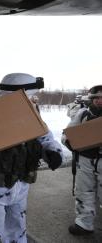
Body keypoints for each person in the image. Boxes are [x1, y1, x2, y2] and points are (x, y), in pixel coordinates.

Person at [0, 73, 64, 243]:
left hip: (20, 182)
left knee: (17, 229)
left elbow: (44, 136)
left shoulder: (31, 111)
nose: (34, 100)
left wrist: (53, 151)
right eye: (30, 96)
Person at [62, 85, 102, 236]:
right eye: (96, 98)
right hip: (85, 160)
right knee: (84, 192)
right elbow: (68, 133)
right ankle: (84, 224)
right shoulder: (83, 114)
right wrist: (69, 142)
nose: (99, 101)